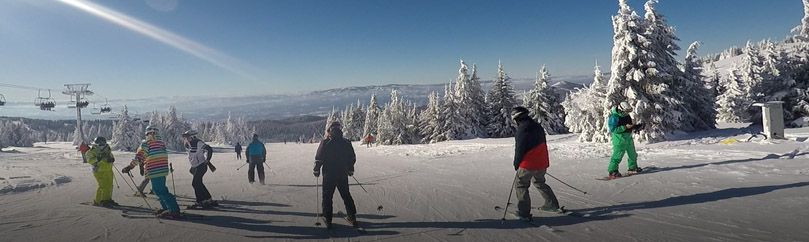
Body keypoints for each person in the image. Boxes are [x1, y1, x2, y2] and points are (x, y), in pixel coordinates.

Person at [510, 107, 560, 221]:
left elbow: (520, 149)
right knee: (539, 182)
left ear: (516, 117)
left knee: (521, 185)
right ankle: (551, 204)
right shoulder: (537, 126)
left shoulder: (522, 129)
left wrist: (516, 163)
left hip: (528, 163)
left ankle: (523, 213)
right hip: (542, 161)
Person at [121, 126, 181, 218]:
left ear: (151, 134)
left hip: (155, 170)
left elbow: (140, 156)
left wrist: (130, 166)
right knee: (159, 190)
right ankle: (166, 207)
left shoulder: (146, 144)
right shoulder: (161, 143)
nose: (148, 135)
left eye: (148, 134)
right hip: (161, 170)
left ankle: (173, 210)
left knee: (160, 191)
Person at [314, 121, 358, 229]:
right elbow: (352, 158)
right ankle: (352, 216)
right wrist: (350, 168)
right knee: (346, 195)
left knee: (327, 196)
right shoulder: (346, 142)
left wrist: (316, 169)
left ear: (330, 130)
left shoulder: (325, 142)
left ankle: (328, 218)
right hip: (342, 174)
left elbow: (319, 157)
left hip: (329, 175)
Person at [182, 130, 218, 208]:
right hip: (195, 167)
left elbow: (209, 149)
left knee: (195, 183)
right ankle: (208, 199)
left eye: (187, 136)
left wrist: (208, 159)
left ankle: (200, 201)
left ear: (192, 136)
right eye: (185, 137)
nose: (186, 138)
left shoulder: (198, 142)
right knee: (199, 183)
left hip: (201, 166)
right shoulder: (188, 144)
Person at [607, 101, 642, 178]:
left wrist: (636, 127)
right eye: (626, 111)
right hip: (619, 140)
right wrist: (625, 127)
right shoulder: (614, 117)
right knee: (617, 156)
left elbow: (629, 126)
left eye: (628, 111)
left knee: (633, 154)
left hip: (628, 138)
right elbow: (613, 129)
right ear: (621, 109)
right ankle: (612, 171)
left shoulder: (626, 115)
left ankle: (632, 168)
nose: (627, 113)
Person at [85, 136, 118, 207]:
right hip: (99, 171)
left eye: (103, 144)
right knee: (103, 186)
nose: (102, 146)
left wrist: (111, 159)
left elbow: (111, 156)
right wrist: (97, 159)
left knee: (109, 185)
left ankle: (108, 199)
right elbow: (89, 160)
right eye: (100, 144)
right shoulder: (91, 151)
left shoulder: (107, 149)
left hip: (108, 170)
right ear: (96, 144)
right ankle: (99, 201)